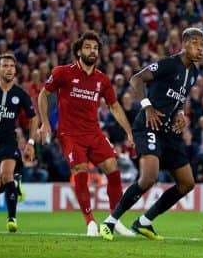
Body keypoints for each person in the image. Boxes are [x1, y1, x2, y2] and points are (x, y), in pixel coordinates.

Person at [99, 27, 203, 241]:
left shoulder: (193, 73)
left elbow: (180, 97)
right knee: (148, 178)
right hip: (149, 125)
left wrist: (181, 113)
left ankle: (144, 222)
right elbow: (136, 79)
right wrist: (146, 106)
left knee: (187, 183)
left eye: (202, 45)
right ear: (183, 44)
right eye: (195, 43)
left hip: (169, 131)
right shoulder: (168, 64)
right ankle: (110, 222)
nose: (200, 49)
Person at [38, 31, 135, 237]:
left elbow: (115, 106)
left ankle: (113, 219)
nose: (93, 51)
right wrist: (45, 122)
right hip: (70, 134)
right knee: (80, 169)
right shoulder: (63, 72)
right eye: (88, 47)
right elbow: (43, 95)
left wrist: (128, 130)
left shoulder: (102, 79)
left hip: (94, 132)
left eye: (96, 48)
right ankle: (90, 221)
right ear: (79, 50)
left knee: (113, 169)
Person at [0, 54, 38, 232]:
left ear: (15, 70)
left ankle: (11, 219)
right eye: (5, 66)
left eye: (12, 66)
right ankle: (14, 182)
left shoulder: (20, 94)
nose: (9, 69)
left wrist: (30, 142)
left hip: (8, 143)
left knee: (5, 175)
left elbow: (34, 118)